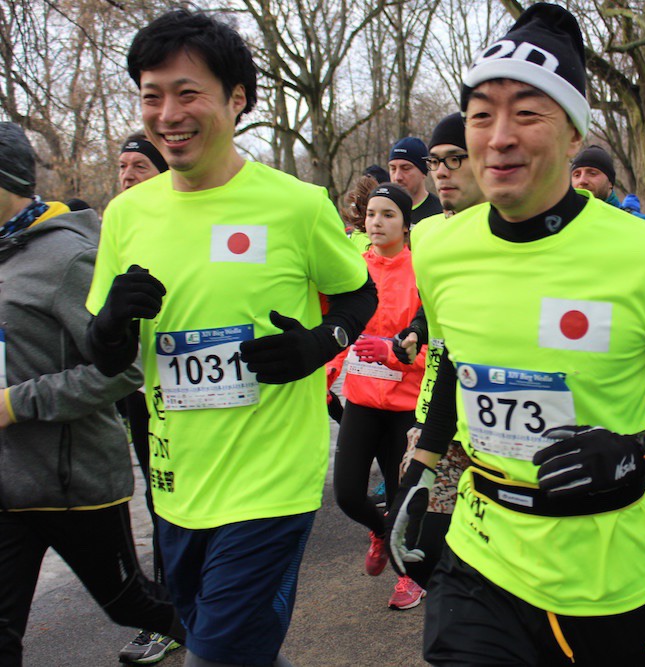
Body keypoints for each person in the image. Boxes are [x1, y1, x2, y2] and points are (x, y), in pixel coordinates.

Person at [386, 5, 645, 665]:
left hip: (605, 574)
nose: (499, 137)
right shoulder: (437, 248)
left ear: (574, 133)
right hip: (482, 555)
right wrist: (421, 468)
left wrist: (640, 451)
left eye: (528, 113)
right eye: (481, 115)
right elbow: (459, 366)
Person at [85, 10, 376, 667]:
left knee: (216, 656)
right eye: (152, 96)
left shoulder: (296, 204)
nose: (168, 114)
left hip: (271, 482)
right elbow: (104, 356)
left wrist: (315, 346)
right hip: (178, 482)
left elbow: (360, 296)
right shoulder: (127, 215)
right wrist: (110, 323)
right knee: (226, 646)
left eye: (187, 93)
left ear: (236, 99)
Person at [0, 122, 185, 667]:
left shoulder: (68, 256)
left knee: (132, 604)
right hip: (8, 483)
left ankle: (232, 649)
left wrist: (15, 404)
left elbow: (123, 370)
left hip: (73, 482)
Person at [393, 111, 485, 590]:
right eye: (435, 161)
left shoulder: (518, 236)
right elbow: (437, 315)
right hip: (442, 405)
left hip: (502, 432)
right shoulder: (427, 235)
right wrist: (415, 330)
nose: (442, 171)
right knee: (420, 554)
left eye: (455, 159)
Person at [330, 182, 427, 610]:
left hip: (406, 404)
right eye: (371, 214)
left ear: (406, 225)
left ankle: (411, 575)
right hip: (362, 400)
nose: (376, 222)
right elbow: (339, 331)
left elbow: (435, 344)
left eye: (388, 214)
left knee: (405, 497)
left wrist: (396, 354)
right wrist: (328, 372)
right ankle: (382, 531)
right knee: (348, 494)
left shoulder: (422, 271)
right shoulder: (352, 268)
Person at [115, 133, 184, 664]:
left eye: (139, 165)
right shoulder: (120, 226)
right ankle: (170, 617)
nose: (127, 175)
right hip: (140, 393)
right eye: (122, 166)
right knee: (160, 503)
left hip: (199, 396)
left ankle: (197, 609)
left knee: (192, 507)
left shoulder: (185, 224)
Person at [389, 137, 443, 225]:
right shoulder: (382, 212)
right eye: (393, 168)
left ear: (423, 172)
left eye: (406, 168)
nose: (397, 177)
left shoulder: (440, 214)